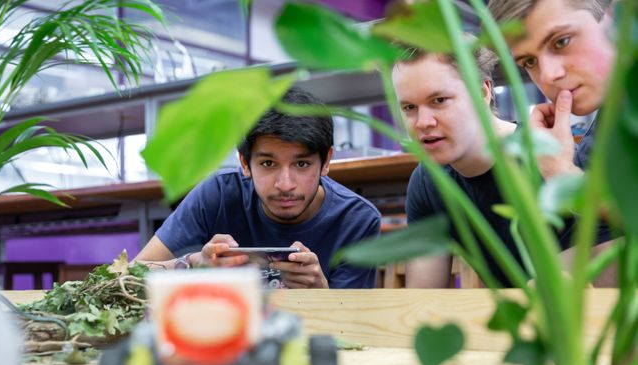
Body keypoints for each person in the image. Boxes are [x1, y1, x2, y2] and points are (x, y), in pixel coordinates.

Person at [135, 87, 381, 289]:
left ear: (326, 161)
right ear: (244, 162)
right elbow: (124, 276)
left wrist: (321, 291)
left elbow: (352, 333)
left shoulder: (357, 220)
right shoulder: (217, 196)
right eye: (268, 163)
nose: (285, 184)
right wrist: (193, 263)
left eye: (302, 164)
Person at [489, 0, 616, 285]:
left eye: (562, 41)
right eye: (529, 62)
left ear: (613, 16)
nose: (548, 76)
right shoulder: (598, 140)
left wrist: (562, 174)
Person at [392, 46, 521, 287]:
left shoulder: (545, 161)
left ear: (483, 92)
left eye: (439, 100)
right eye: (409, 107)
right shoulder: (428, 181)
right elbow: (425, 303)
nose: (423, 123)